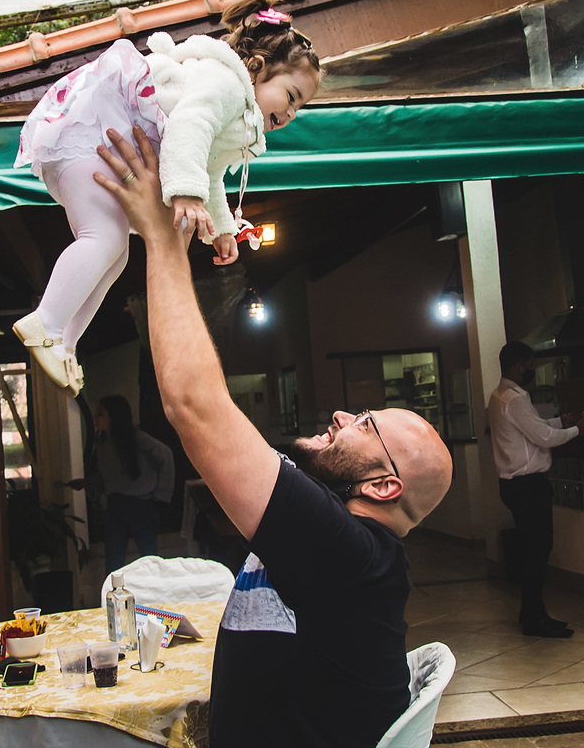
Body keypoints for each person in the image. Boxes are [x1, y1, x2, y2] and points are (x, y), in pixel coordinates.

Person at [92, 128, 454, 748]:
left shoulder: (351, 553)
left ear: (384, 485)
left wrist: (159, 237)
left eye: (365, 426)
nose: (342, 416)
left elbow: (194, 409)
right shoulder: (343, 548)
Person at [12, 0, 321, 395]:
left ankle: (65, 342)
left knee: (116, 253)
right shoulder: (226, 83)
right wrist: (186, 196)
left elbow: (207, 169)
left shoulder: (236, 107)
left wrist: (222, 228)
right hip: (92, 138)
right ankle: (45, 323)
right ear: (257, 68)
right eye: (291, 96)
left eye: (300, 108)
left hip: (99, 144)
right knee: (102, 240)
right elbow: (188, 128)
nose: (291, 113)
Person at [488, 341, 584, 639]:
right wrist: (577, 430)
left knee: (532, 549)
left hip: (513, 484)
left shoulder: (500, 396)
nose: (531, 371)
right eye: (529, 365)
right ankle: (535, 619)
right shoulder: (515, 398)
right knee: (538, 550)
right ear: (516, 366)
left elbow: (533, 428)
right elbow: (543, 437)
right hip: (527, 485)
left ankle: (530, 612)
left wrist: (563, 420)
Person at [93, 395, 174, 573]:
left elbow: (166, 455)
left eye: (100, 414)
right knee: (114, 564)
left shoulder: (137, 439)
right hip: (115, 506)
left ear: (113, 416)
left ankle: (155, 597)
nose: (95, 418)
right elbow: (107, 476)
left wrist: (161, 493)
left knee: (150, 560)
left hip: (140, 505)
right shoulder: (102, 444)